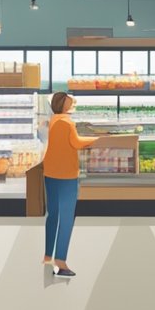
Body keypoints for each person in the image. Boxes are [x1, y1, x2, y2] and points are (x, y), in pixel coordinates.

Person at [42, 92, 98, 277]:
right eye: (69, 102)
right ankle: (61, 263)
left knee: (53, 215)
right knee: (66, 219)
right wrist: (96, 140)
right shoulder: (67, 122)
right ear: (63, 104)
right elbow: (75, 142)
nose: (71, 104)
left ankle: (48, 255)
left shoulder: (54, 120)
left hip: (50, 172)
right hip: (66, 174)